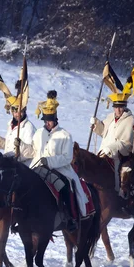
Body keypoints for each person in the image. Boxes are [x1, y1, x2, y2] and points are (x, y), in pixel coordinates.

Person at [19, 90, 88, 229]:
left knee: (63, 186)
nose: (47, 123)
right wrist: (20, 145)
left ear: (55, 119)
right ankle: (21, 218)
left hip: (60, 170)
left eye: (49, 120)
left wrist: (49, 161)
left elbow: (67, 158)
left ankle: (69, 217)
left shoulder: (65, 135)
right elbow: (33, 151)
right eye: (45, 120)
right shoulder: (39, 133)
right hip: (37, 167)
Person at [90, 91, 134, 190]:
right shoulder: (110, 117)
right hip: (104, 151)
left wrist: (111, 149)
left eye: (120, 107)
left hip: (120, 155)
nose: (118, 110)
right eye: (116, 107)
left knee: (119, 173)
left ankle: (118, 192)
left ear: (124, 107)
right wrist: (96, 123)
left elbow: (127, 142)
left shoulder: (131, 120)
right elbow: (103, 131)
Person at [0, 80, 36, 166]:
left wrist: (21, 145)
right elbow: (9, 146)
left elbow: (33, 152)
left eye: (20, 111)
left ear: (24, 111)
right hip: (8, 164)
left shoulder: (29, 128)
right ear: (12, 112)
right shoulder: (10, 124)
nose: (17, 114)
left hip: (22, 168)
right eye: (15, 112)